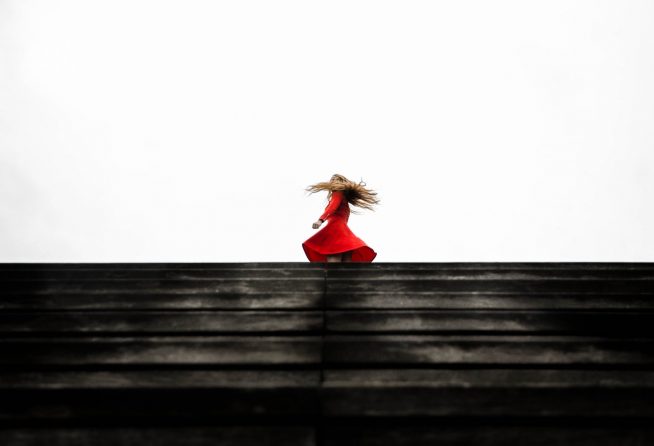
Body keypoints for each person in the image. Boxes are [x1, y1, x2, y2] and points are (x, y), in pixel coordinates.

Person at [302, 174, 379, 263]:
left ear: (339, 182)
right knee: (346, 266)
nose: (331, 182)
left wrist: (320, 220)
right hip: (345, 234)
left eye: (334, 180)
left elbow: (332, 207)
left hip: (335, 231)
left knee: (333, 266)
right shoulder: (345, 201)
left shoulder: (337, 193)